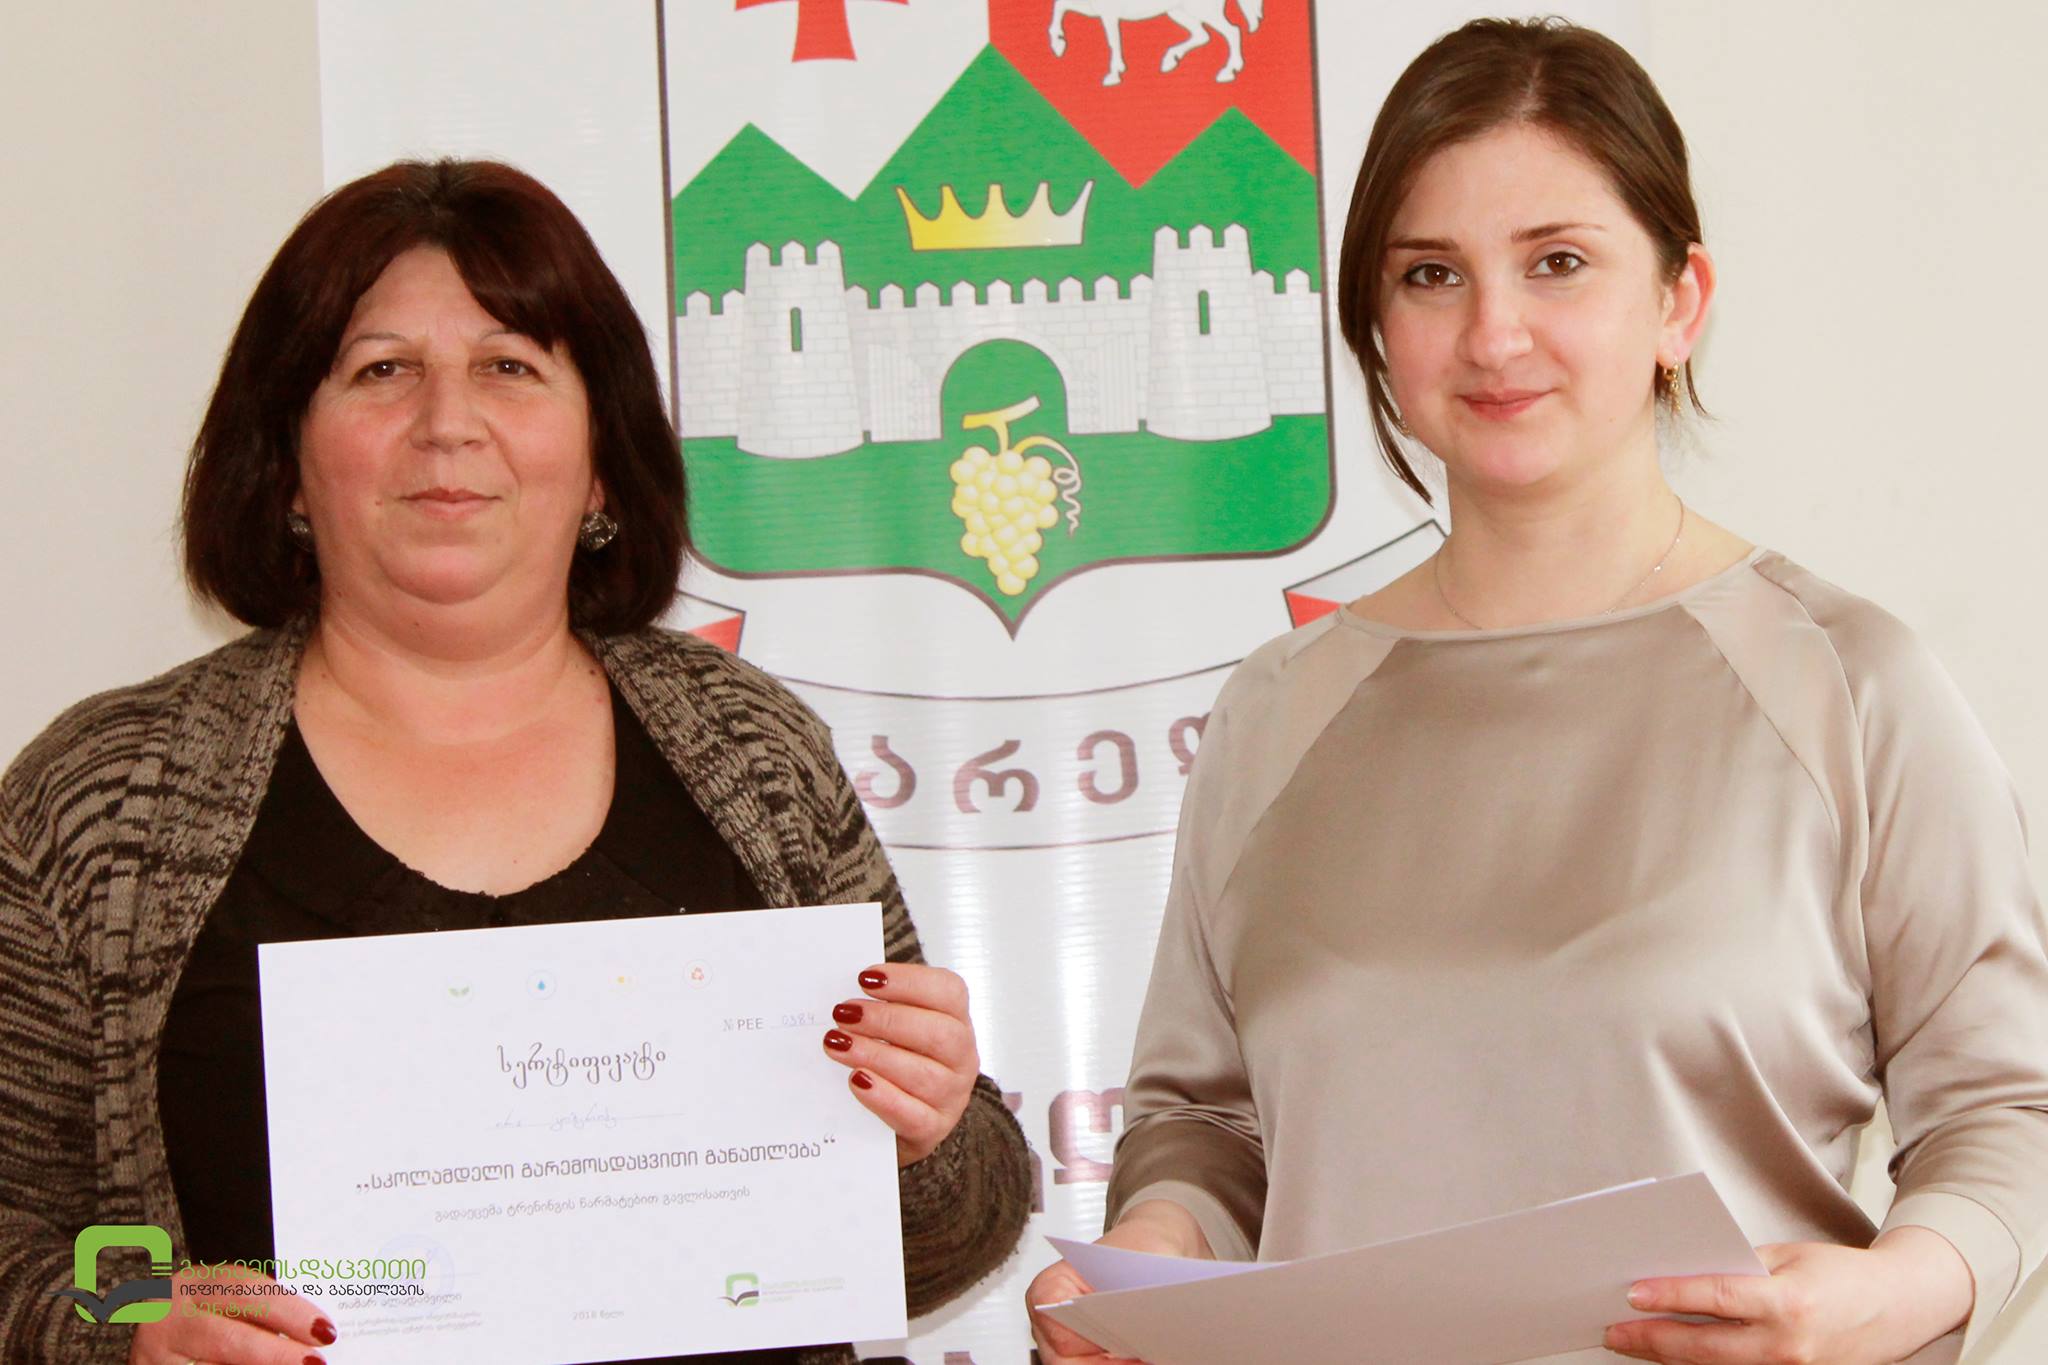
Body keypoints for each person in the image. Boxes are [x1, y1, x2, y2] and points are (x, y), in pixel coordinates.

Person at [1027, 17, 2048, 1365]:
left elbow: (2008, 1109)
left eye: (1556, 262)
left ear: (1679, 300)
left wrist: (1886, 1295)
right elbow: (1205, 1125)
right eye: (1430, 274)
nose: (1493, 332)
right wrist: (1148, 1261)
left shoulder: (1849, 683)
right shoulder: (1274, 710)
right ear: (1374, 326)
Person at [0, 158, 1032, 1365]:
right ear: (286, 463)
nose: (448, 422)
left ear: (599, 462)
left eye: (510, 366)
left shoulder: (754, 750)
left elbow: (950, 1228)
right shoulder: (108, 797)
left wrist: (926, 1133)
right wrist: (128, 1320)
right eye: (381, 370)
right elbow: (19, 1247)